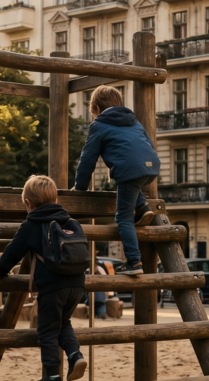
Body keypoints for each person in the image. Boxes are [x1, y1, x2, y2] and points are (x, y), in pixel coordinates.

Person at [0, 175, 88, 381]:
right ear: (55, 200)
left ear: (28, 203)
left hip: (53, 288)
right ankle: (75, 356)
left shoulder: (31, 225)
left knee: (46, 332)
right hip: (78, 284)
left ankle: (52, 376)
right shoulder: (71, 221)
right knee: (64, 323)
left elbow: (11, 254)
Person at [72, 86, 160, 275]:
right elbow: (148, 145)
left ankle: (134, 262)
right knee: (132, 185)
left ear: (96, 109)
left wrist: (80, 187)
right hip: (151, 166)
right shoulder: (134, 121)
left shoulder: (99, 125)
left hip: (130, 170)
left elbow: (87, 159)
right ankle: (143, 206)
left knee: (123, 218)